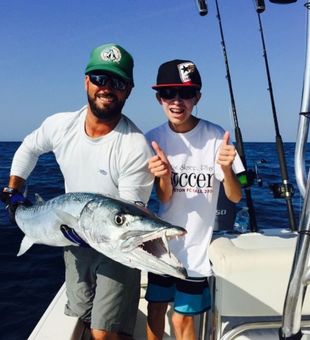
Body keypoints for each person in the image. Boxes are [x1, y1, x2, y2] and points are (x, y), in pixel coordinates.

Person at [1, 43, 154, 340]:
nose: (107, 88)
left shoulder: (135, 145)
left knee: (103, 332)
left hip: (113, 246)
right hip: (70, 239)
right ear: (86, 80)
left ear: (129, 90)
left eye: (118, 82)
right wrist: (14, 192)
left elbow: (126, 215)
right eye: (100, 78)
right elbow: (28, 149)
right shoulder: (60, 125)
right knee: (83, 313)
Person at [145, 59, 244, 340]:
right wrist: (163, 176)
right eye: (168, 93)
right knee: (155, 310)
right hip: (160, 249)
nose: (177, 101)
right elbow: (164, 197)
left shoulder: (215, 137)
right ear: (158, 98)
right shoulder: (152, 139)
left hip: (196, 253)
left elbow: (235, 195)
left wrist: (226, 169)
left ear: (197, 97)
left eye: (186, 93)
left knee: (182, 321)